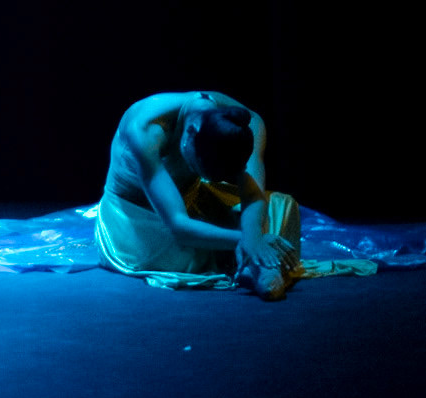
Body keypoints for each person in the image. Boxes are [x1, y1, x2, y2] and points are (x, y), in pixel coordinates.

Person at [96, 90, 301, 299]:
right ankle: (253, 258)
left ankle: (254, 261)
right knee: (179, 252)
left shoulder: (243, 124)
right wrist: (249, 239)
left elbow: (252, 193)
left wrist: (253, 234)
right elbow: (178, 225)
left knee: (279, 206)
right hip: (140, 215)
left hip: (192, 200)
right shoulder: (144, 131)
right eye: (199, 169)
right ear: (190, 133)